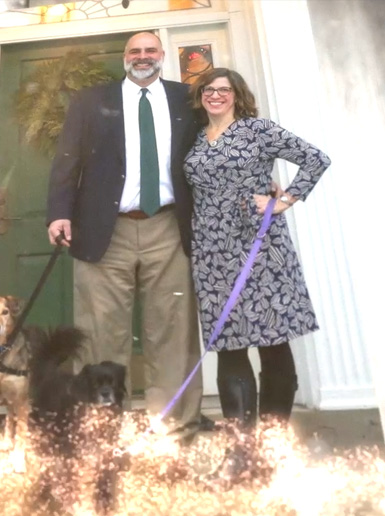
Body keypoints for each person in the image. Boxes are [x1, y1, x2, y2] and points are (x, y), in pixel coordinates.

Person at [46, 32, 204, 441]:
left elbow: (213, 152)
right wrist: (60, 214)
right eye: (135, 51)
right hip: (104, 228)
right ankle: (102, 427)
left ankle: (171, 425)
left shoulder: (188, 99)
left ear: (162, 55)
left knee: (171, 329)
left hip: (169, 226)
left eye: (150, 50)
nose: (143, 56)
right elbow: (67, 161)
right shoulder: (90, 102)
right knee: (101, 331)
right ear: (124, 58)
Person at [183, 68, 331, 482]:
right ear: (201, 96)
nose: (216, 96)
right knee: (230, 345)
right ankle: (240, 451)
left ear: (237, 95)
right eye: (209, 90)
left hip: (258, 244)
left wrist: (285, 201)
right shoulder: (195, 138)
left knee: (271, 339)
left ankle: (271, 447)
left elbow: (316, 159)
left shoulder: (258, 129)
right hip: (212, 250)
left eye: (224, 90)